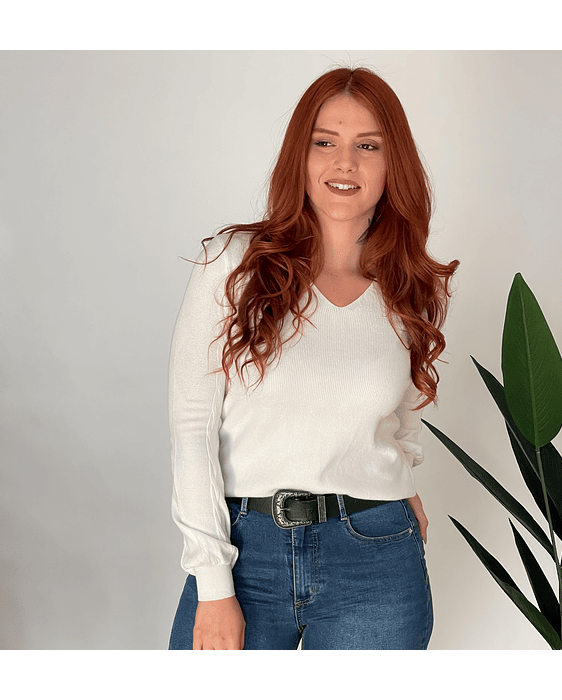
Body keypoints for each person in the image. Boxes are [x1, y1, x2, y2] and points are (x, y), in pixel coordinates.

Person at [167, 66, 459, 651]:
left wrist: (400, 485)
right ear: (299, 156)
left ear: (393, 164)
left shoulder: (411, 286)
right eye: (324, 142)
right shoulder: (234, 264)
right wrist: (214, 584)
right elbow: (192, 427)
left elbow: (402, 418)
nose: (344, 163)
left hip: (376, 554)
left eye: (368, 146)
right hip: (246, 553)